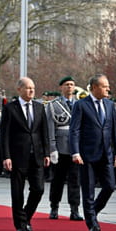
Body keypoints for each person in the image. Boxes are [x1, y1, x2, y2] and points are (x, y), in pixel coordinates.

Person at [69, 74, 116, 231]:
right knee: (88, 190)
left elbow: (114, 130)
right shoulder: (81, 105)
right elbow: (74, 130)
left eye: (108, 86)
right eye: (104, 86)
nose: (108, 89)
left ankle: (91, 211)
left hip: (106, 153)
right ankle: (92, 224)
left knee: (110, 186)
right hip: (87, 154)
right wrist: (75, 152)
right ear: (94, 88)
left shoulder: (109, 104)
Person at [0, 77, 50, 231]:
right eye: (28, 88)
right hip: (17, 156)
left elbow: (44, 132)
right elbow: (4, 135)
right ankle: (20, 226)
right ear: (19, 89)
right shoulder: (10, 108)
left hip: (36, 155)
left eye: (33, 88)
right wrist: (6, 156)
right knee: (17, 192)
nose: (31, 91)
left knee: (38, 189)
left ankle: (26, 216)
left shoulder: (39, 107)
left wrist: (47, 153)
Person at [46, 76, 83, 221]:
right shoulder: (53, 105)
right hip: (60, 147)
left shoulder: (80, 104)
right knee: (58, 180)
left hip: (76, 148)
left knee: (75, 180)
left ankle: (75, 209)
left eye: (72, 85)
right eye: (67, 85)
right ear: (61, 87)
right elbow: (50, 127)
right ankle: (54, 207)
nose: (69, 87)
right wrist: (52, 147)